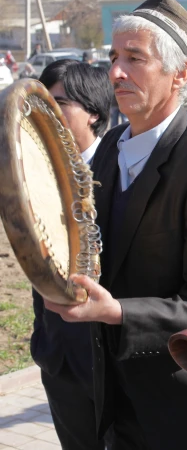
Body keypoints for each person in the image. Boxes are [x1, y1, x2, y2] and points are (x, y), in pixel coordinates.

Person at [43, 0, 187, 450]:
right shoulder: (109, 149)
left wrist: (117, 312)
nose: (116, 73)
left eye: (134, 59)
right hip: (125, 407)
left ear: (180, 74)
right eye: (113, 57)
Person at [32, 59, 112, 450]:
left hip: (108, 360)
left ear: (93, 111)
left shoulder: (119, 172)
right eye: (43, 100)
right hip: (57, 356)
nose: (46, 112)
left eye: (58, 103)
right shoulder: (34, 169)